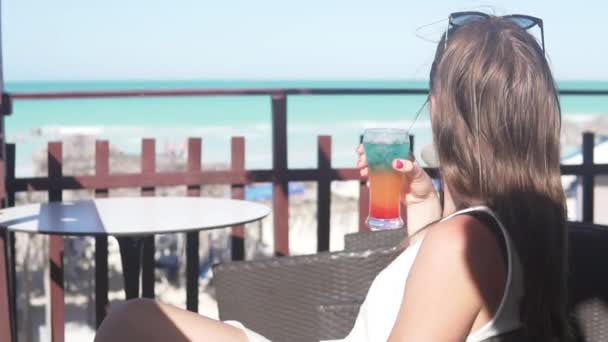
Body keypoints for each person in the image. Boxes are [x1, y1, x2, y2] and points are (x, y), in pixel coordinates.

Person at [95, 12, 568, 342]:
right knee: (136, 320)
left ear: (447, 114)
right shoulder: (523, 223)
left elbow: (445, 276)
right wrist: (424, 201)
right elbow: (444, 300)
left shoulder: (463, 245)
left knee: (132, 323)